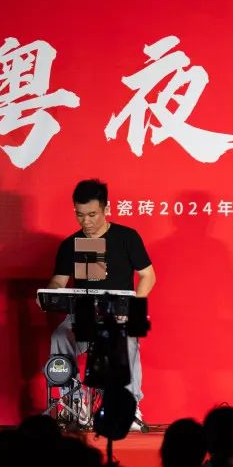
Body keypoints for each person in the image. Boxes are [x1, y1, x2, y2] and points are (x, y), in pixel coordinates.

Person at [44, 179, 156, 428]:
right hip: (82, 315)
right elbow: (59, 281)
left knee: (126, 336)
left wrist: (132, 306)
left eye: (92, 214)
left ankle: (128, 407)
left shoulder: (127, 237)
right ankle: (72, 402)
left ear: (106, 208)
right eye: (80, 215)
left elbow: (148, 275)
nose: (86, 221)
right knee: (60, 335)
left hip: (119, 313)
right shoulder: (71, 244)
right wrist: (48, 292)